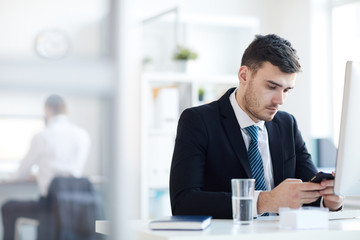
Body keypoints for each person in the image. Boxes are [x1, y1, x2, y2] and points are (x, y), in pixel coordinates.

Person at [169, 34, 344, 219]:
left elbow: (310, 190)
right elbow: (184, 202)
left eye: (286, 90)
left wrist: (329, 200)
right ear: (244, 75)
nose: (280, 100)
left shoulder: (287, 124)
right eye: (271, 87)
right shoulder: (198, 121)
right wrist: (264, 201)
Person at [1, 94, 90, 240]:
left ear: (47, 109)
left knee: (7, 207)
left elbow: (20, 173)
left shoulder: (42, 136)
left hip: (50, 206)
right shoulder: (82, 135)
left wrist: (19, 176)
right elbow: (69, 172)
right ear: (65, 110)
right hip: (76, 207)